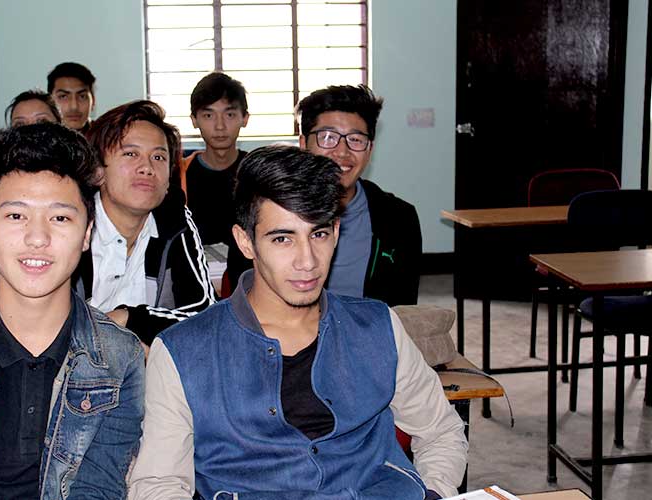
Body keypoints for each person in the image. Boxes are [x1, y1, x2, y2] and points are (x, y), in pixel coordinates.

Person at [129, 146, 467, 500]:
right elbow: (159, 484)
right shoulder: (183, 352)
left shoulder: (378, 326)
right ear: (246, 242)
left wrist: (435, 491)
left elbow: (441, 430)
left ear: (336, 231)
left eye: (318, 234)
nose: (307, 261)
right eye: (282, 238)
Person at [0, 123, 145, 498]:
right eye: (16, 216)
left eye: (60, 218)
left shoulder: (120, 358)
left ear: (87, 234)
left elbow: (98, 487)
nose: (37, 238)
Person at [77, 100, 217, 344]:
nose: (147, 168)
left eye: (159, 157)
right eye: (131, 154)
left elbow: (206, 315)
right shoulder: (72, 222)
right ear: (98, 170)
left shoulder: (173, 219)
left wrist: (127, 318)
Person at [298, 84, 422, 306]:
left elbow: (404, 307)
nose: (341, 152)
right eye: (328, 137)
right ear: (303, 144)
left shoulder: (399, 218)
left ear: (370, 149)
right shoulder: (273, 210)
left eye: (355, 139)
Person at [180, 72, 249, 247]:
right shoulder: (178, 175)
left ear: (245, 118)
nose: (220, 126)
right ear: (194, 120)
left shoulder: (259, 173)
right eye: (208, 116)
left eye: (229, 115)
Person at [47, 61, 96, 132]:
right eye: (63, 96)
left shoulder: (106, 137)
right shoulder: (37, 136)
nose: (74, 107)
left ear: (93, 101)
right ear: (49, 102)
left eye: (82, 96)